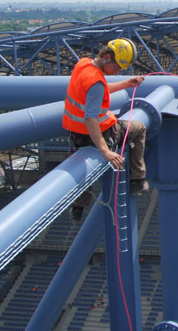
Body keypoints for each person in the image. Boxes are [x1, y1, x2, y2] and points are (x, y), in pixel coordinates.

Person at [64, 38, 149, 220]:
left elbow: (98, 90)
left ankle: (78, 207)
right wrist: (105, 151)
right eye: (116, 67)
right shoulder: (96, 82)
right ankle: (138, 180)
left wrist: (126, 84)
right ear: (107, 57)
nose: (117, 72)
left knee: (81, 169)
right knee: (139, 128)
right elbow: (90, 117)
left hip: (77, 136)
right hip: (102, 133)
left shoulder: (83, 65)